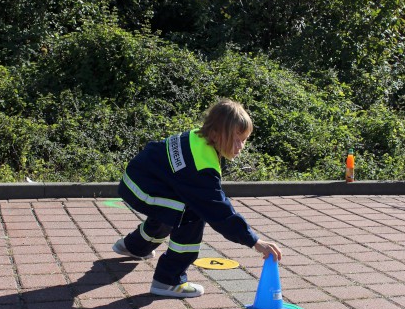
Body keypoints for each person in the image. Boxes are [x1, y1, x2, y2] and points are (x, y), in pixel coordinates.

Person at [112, 98, 282, 298]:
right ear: (215, 134)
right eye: (235, 139)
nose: (240, 146)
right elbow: (220, 213)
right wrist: (254, 241)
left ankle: (134, 247)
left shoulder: (197, 139)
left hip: (136, 181)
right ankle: (167, 281)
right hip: (141, 189)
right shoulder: (202, 167)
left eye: (244, 139)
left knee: (172, 210)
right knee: (191, 214)